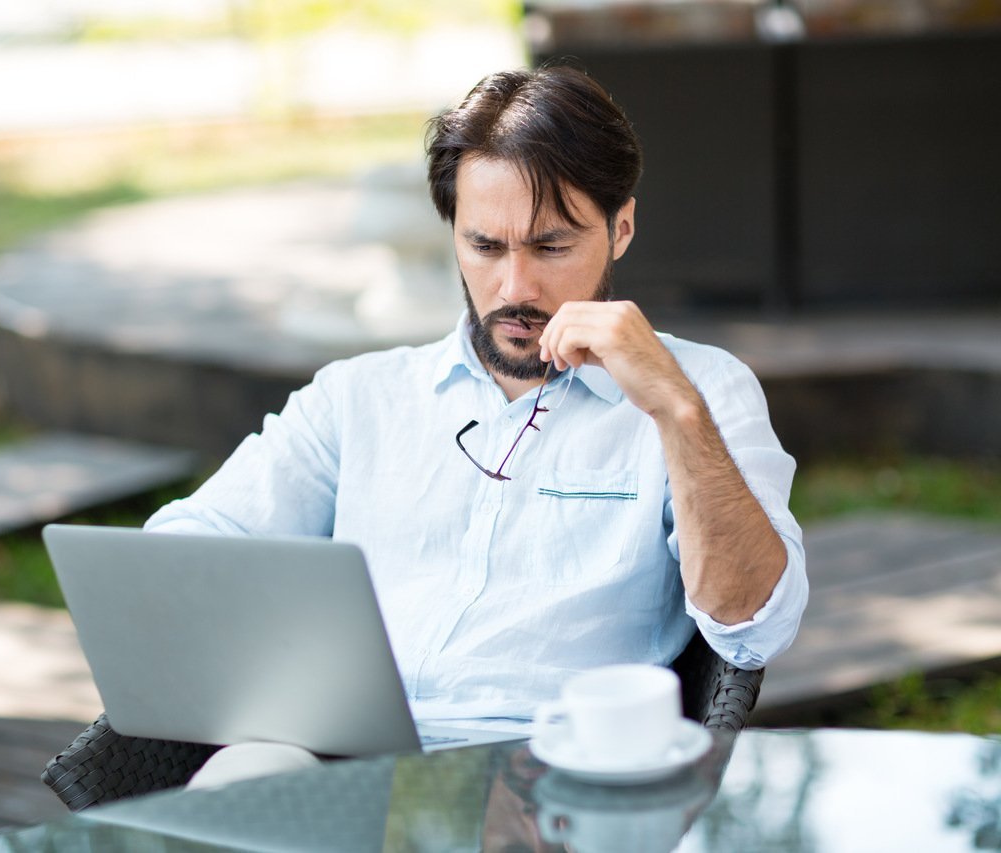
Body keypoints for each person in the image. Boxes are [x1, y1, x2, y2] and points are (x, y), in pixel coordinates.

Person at [144, 65, 807, 738]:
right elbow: (180, 555)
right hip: (341, 754)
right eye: (484, 245)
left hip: (547, 774)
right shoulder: (358, 397)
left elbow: (755, 627)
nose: (514, 285)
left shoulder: (701, 389)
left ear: (622, 228)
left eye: (552, 245)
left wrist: (675, 411)